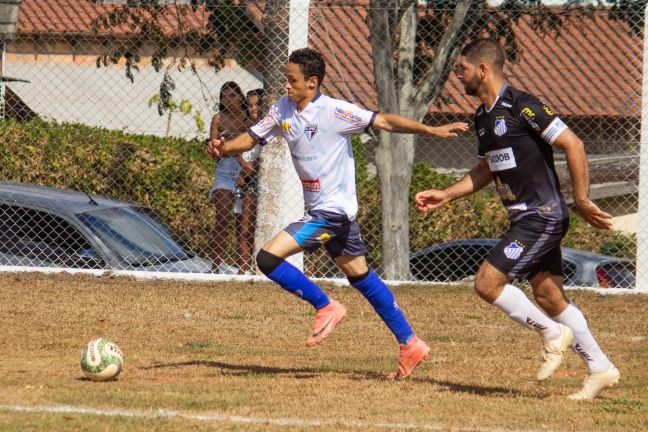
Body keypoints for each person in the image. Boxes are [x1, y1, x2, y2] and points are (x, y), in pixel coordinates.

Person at [207, 48, 469, 378]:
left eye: (292, 80)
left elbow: (384, 120)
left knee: (268, 259)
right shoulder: (282, 109)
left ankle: (326, 306)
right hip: (327, 211)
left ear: (313, 82)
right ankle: (410, 343)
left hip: (332, 213)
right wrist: (223, 147)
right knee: (361, 277)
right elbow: (250, 138)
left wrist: (431, 131)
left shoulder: (334, 111)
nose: (286, 86)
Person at [415, 38, 620, 399]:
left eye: (461, 68)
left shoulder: (523, 106)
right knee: (549, 297)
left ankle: (552, 333)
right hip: (524, 219)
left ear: (482, 69)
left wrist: (583, 199)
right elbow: (486, 170)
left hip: (542, 216)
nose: (457, 75)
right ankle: (600, 367)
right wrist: (446, 193)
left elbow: (573, 143)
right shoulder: (482, 116)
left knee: (486, 283)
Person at [208, 81, 250, 274]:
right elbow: (214, 148)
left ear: (241, 97)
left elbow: (254, 146)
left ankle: (243, 269)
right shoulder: (218, 118)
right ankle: (215, 266)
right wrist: (216, 149)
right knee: (223, 217)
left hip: (246, 170)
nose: (228, 100)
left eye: (232, 95)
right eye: (224, 96)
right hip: (225, 169)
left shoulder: (248, 119)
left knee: (243, 225)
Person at [234, 89, 264, 274]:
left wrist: (246, 173)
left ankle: (256, 267)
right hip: (245, 181)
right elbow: (239, 152)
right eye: (250, 105)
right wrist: (244, 169)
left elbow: (262, 161)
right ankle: (243, 268)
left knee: (251, 227)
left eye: (256, 105)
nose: (253, 109)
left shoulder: (268, 128)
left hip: (256, 180)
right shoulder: (245, 128)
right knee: (242, 229)